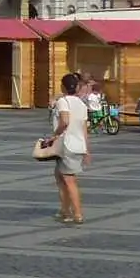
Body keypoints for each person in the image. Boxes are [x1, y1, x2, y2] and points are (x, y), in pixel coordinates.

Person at [51, 72, 92, 225]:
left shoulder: (63, 101)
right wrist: (87, 149)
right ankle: (64, 210)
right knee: (60, 177)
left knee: (69, 180)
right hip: (78, 144)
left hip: (66, 144)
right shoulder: (81, 104)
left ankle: (77, 213)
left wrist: (54, 135)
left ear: (63, 86)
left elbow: (64, 121)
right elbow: (84, 129)